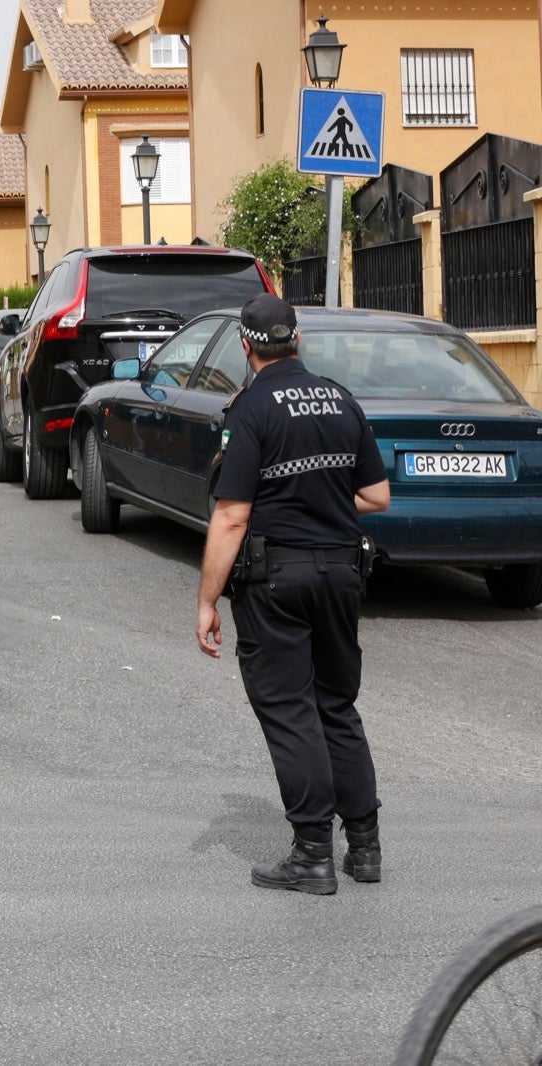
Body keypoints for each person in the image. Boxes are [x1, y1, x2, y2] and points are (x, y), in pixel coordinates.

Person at [195, 294, 391, 896]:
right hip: (340, 574)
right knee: (336, 703)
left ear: (247, 347)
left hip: (277, 576)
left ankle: (312, 854)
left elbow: (231, 516)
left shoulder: (251, 408)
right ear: (297, 338)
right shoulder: (340, 398)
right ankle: (364, 847)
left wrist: (207, 600)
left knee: (288, 707)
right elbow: (377, 495)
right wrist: (322, 502)